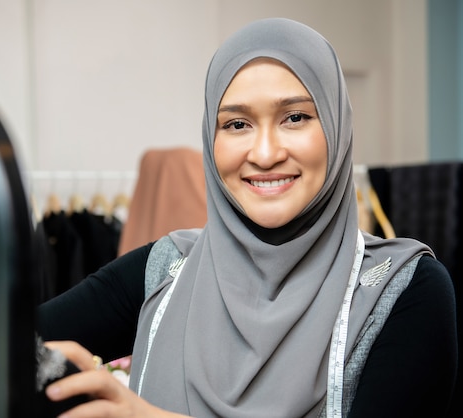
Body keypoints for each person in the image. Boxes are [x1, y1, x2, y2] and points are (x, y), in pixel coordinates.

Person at [36, 18, 458, 417]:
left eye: (295, 117)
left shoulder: (403, 290)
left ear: (336, 127)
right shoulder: (166, 271)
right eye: (237, 124)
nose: (265, 153)